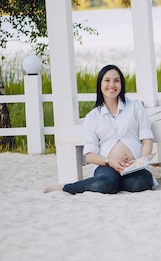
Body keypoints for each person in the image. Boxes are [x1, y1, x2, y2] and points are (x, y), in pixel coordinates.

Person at [44, 64, 155, 194]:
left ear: (122, 84)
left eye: (116, 80)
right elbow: (90, 155)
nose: (112, 85)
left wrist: (140, 163)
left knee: (142, 182)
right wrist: (110, 162)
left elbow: (147, 140)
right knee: (106, 183)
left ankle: (117, 183)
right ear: (100, 84)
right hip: (107, 166)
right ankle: (67, 187)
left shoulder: (135, 107)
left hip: (133, 167)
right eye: (107, 80)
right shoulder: (92, 117)